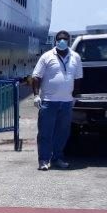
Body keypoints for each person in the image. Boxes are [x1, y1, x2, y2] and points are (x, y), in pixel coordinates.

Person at [30, 30, 83, 171]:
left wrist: (75, 96)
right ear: (55, 40)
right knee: (45, 133)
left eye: (65, 39)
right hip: (48, 102)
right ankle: (43, 160)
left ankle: (57, 158)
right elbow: (36, 77)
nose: (62, 41)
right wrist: (36, 95)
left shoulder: (75, 57)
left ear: (69, 41)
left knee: (63, 133)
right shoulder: (47, 56)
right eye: (59, 39)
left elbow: (78, 78)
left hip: (67, 102)